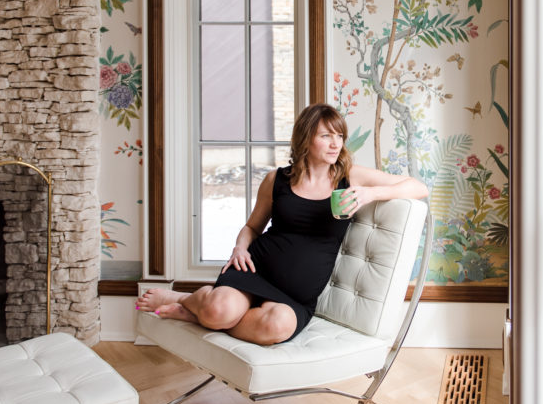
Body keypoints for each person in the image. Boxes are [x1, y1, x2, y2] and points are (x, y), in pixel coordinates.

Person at [136, 103, 428, 345]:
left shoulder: (350, 177)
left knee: (276, 328)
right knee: (218, 309)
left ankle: (197, 315)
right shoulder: (276, 180)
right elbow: (252, 227)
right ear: (305, 138)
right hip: (255, 270)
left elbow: (418, 187)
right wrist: (240, 248)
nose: (336, 143)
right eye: (326, 135)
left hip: (295, 296)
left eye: (339, 135)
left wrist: (371, 193)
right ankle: (189, 301)